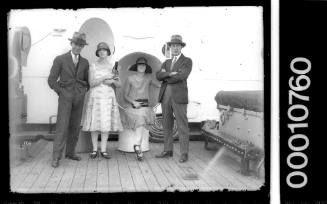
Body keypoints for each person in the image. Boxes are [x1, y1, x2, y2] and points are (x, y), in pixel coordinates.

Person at [48, 32, 90, 168]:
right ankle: (56, 157)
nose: (78, 47)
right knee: (62, 126)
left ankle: (70, 152)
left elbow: (87, 81)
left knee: (75, 125)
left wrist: (82, 91)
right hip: (65, 98)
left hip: (79, 98)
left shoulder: (85, 62)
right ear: (71, 44)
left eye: (81, 45)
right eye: (76, 44)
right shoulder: (60, 59)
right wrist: (61, 92)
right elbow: (51, 80)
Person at [81, 42, 123, 159]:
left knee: (105, 124)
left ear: (108, 52)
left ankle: (104, 150)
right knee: (94, 123)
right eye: (100, 50)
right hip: (95, 97)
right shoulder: (92, 66)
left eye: (104, 50)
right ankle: (95, 150)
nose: (102, 52)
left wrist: (113, 81)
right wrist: (104, 77)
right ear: (97, 53)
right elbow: (91, 83)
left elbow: (119, 84)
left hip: (108, 97)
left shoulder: (113, 66)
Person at [155, 35, 192, 163]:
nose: (175, 48)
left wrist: (166, 76)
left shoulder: (187, 61)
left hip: (179, 96)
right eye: (173, 46)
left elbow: (182, 76)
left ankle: (184, 153)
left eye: (178, 46)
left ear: (181, 47)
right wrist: (170, 73)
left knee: (182, 125)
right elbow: (158, 75)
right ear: (169, 47)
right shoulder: (166, 62)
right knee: (166, 123)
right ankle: (168, 150)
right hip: (165, 95)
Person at [122, 57, 161, 161]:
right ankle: (137, 145)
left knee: (143, 116)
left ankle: (137, 146)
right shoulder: (130, 78)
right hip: (132, 107)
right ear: (136, 66)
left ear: (146, 67)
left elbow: (159, 85)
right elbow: (125, 95)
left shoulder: (149, 78)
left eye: (143, 65)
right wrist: (133, 102)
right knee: (141, 117)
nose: (141, 66)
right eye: (140, 65)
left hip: (145, 107)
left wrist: (164, 74)